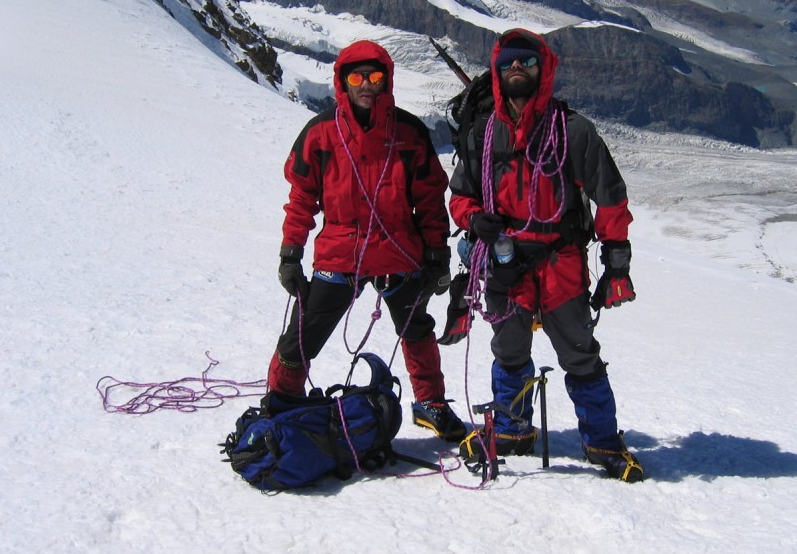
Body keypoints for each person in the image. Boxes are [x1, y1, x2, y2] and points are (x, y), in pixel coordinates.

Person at [448, 28, 643, 482]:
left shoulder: (574, 132)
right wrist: (475, 219)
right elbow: (460, 196)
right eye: (509, 63)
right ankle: (515, 430)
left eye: (527, 62)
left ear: (543, 70)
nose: (517, 69)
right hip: (505, 262)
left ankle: (602, 441)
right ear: (497, 72)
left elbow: (611, 199)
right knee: (509, 348)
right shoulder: (483, 133)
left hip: (560, 261)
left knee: (580, 353)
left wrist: (617, 263)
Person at [267, 39, 467, 442]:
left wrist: (437, 252)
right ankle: (281, 399)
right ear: (343, 80)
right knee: (304, 330)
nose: (366, 84)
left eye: (374, 76)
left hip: (398, 249)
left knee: (416, 328)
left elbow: (429, 199)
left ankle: (431, 402)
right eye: (356, 76)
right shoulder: (321, 133)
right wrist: (291, 253)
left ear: (386, 80)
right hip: (342, 249)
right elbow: (302, 197)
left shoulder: (409, 132)